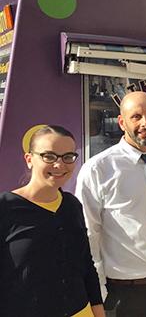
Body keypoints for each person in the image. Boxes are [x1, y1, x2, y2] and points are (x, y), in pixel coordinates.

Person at [76, 91, 146, 317]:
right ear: (121, 122)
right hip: (121, 294)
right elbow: (88, 234)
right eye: (136, 117)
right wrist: (97, 293)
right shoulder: (98, 168)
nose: (144, 123)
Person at [0, 125, 105, 317]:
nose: (59, 165)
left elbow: (85, 266)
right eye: (49, 156)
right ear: (29, 159)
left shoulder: (72, 205)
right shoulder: (5, 208)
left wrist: (98, 311)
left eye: (68, 157)